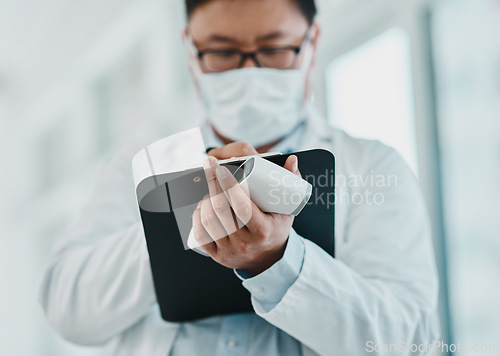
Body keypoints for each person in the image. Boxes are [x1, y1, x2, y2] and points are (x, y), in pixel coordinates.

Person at [39, 0, 440, 355]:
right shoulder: (138, 163)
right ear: (190, 49)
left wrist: (280, 262)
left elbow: (409, 341)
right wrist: (178, 210)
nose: (250, 71)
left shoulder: (373, 167)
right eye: (222, 51)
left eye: (274, 48)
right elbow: (67, 309)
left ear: (312, 41)